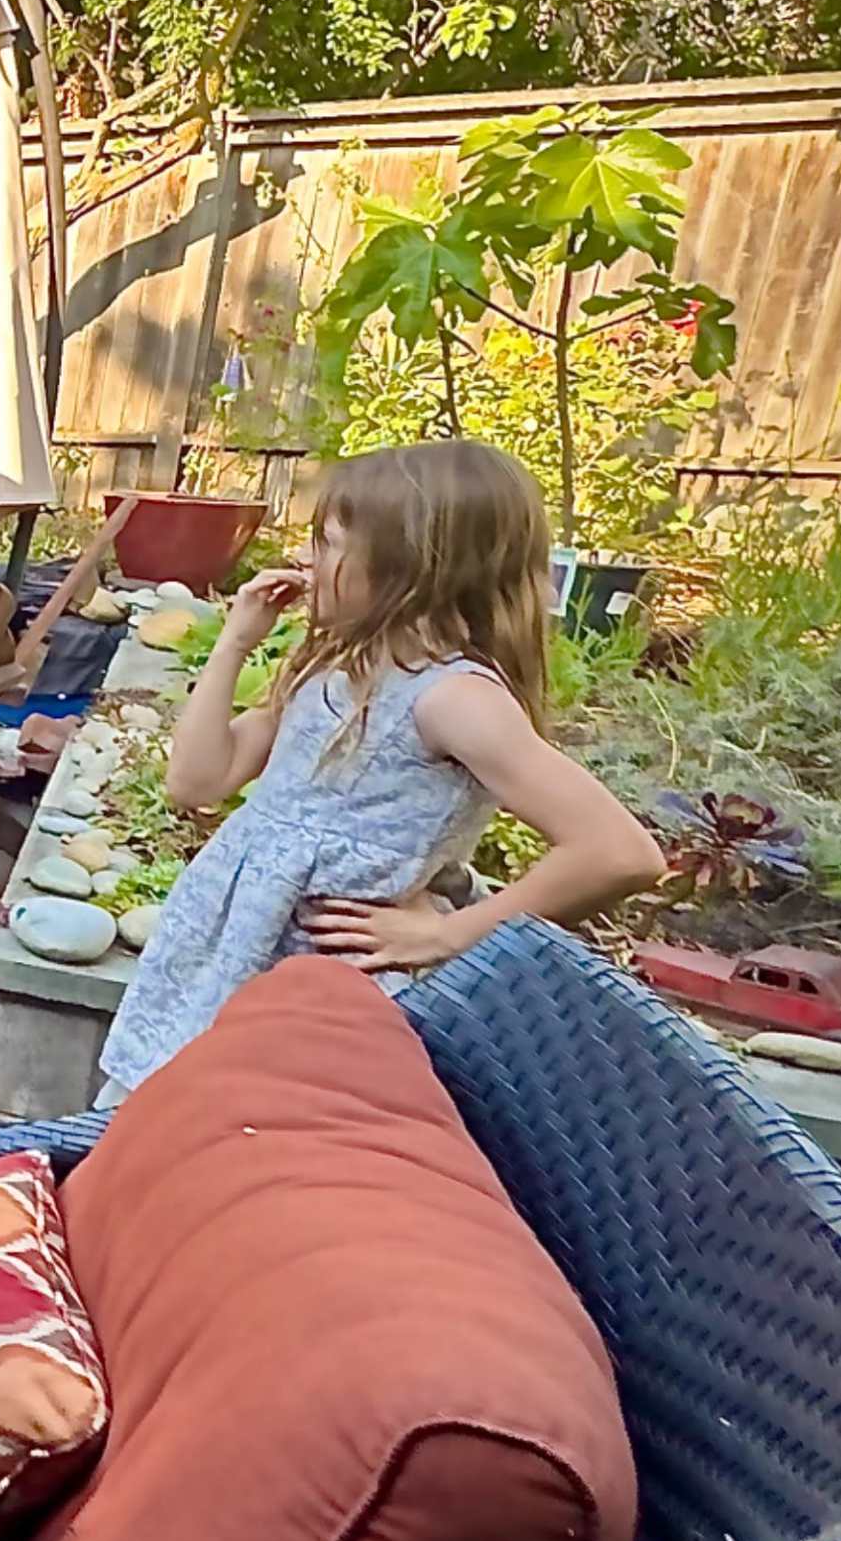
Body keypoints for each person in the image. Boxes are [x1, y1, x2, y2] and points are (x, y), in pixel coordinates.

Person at [95, 438, 664, 1102]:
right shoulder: (341, 667)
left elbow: (619, 852)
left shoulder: (453, 698)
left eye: (330, 542)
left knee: (237, 1144)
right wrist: (234, 642)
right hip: (225, 969)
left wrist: (451, 935)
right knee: (157, 1127)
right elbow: (195, 782)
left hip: (316, 996)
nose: (307, 559)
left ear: (414, 566)